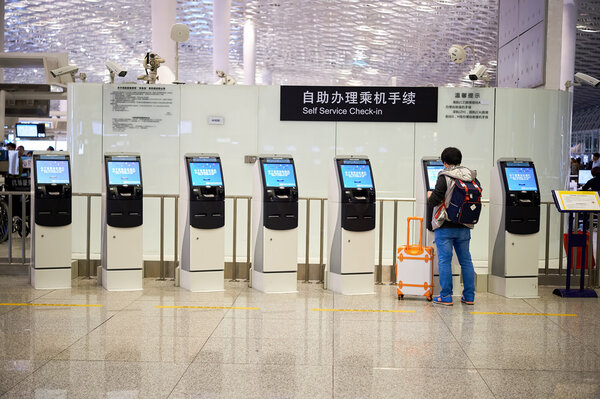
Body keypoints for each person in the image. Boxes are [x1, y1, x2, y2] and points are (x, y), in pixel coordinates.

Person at [427, 147, 477, 306]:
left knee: (444, 261)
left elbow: (435, 200)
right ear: (459, 160)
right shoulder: (471, 175)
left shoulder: (444, 176)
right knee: (466, 261)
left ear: (444, 162)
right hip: (464, 224)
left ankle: (446, 296)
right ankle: (469, 296)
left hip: (445, 225)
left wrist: (429, 195)